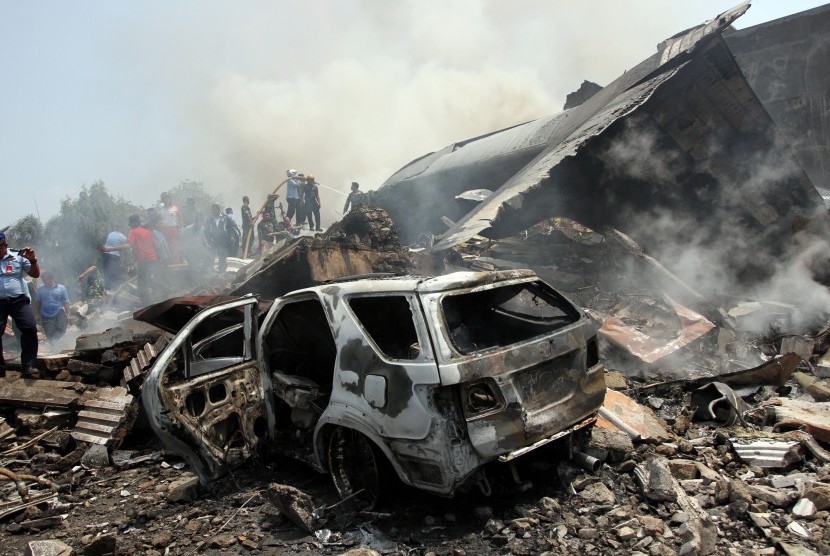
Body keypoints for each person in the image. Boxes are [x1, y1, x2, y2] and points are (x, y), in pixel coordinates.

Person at [0, 232, 40, 376]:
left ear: (5, 246)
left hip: (18, 300)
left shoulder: (18, 256)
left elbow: (35, 275)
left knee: (29, 328)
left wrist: (33, 260)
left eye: (0, 247)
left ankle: (29, 366)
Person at [101, 215, 159, 305]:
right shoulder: (148, 232)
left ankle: (148, 305)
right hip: (153, 260)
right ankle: (156, 300)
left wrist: (109, 249)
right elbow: (157, 245)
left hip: (144, 261)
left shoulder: (133, 232)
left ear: (131, 223)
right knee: (148, 281)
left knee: (142, 285)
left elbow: (128, 245)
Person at [35, 271, 70, 347]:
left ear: (51, 279)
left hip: (59, 312)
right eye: (43, 280)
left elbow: (66, 302)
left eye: (45, 280)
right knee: (49, 333)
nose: (44, 282)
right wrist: (37, 314)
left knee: (62, 329)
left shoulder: (61, 288)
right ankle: (54, 348)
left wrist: (68, 314)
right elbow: (38, 302)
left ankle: (57, 345)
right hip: (46, 314)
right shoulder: (41, 289)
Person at [204, 204, 231, 273]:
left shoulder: (225, 218)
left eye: (215, 209)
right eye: (212, 209)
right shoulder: (209, 219)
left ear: (218, 210)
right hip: (213, 240)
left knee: (222, 256)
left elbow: (229, 228)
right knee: (211, 255)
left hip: (222, 240)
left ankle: (222, 272)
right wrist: (207, 240)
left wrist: (230, 237)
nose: (213, 211)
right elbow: (206, 230)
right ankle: (210, 271)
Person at [158, 192, 182, 263]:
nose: (167, 200)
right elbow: (158, 219)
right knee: (165, 246)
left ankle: (176, 262)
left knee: (174, 246)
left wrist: (181, 227)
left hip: (173, 229)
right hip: (164, 229)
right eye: (165, 198)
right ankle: (167, 262)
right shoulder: (160, 209)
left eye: (168, 198)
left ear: (170, 199)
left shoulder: (175, 207)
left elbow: (181, 218)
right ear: (163, 200)